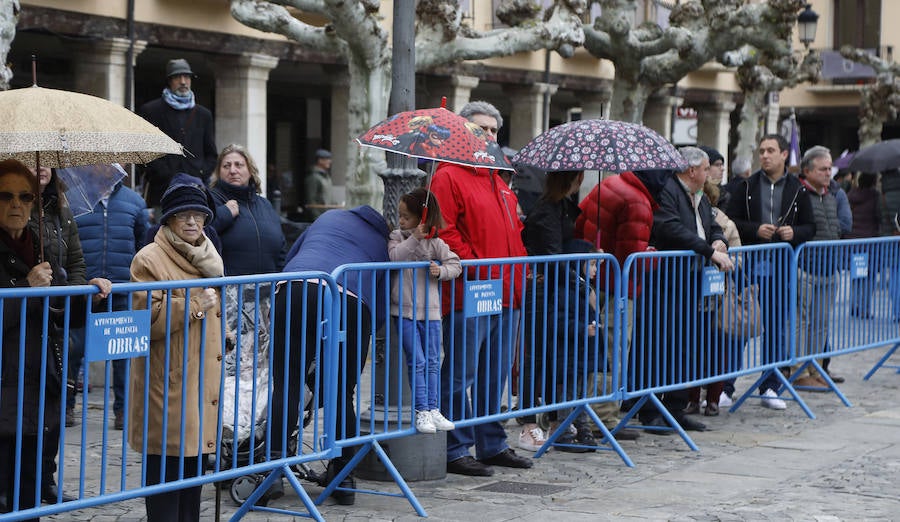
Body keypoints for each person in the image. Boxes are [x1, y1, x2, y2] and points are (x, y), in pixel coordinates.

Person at [0, 159, 110, 520]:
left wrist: (86, 293)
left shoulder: (43, 250)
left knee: (28, 486)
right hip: (5, 381)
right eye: (5, 196)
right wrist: (25, 288)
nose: (15, 205)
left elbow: (65, 311)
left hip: (37, 377)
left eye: (24, 196)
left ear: (35, 202)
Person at [431, 100, 533, 476]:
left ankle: (491, 443)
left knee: (496, 374)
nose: (489, 135)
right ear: (462, 130)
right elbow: (444, 231)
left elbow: (512, 232)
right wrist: (477, 264)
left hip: (506, 290)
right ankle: (455, 447)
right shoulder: (448, 175)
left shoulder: (498, 177)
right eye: (480, 129)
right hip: (471, 289)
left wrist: (517, 270)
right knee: (461, 372)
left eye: (493, 130)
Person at [268, 205, 389, 506]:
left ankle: (271, 472)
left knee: (288, 384)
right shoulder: (382, 243)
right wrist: (371, 330)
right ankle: (343, 477)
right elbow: (382, 297)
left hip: (296, 287)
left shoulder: (329, 217)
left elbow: (294, 253)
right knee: (342, 393)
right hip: (348, 299)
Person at [129, 176, 223, 522]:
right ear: (168, 219)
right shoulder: (149, 259)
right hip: (168, 380)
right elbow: (147, 321)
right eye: (183, 215)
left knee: (194, 477)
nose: (192, 222)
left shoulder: (209, 256)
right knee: (166, 475)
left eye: (198, 215)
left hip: (202, 380)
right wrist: (194, 304)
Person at [574, 169, 673, 440]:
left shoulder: (609, 184)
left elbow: (581, 223)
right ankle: (603, 417)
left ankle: (588, 414)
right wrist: (655, 256)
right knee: (613, 349)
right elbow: (634, 257)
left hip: (595, 278)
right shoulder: (638, 201)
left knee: (593, 349)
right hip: (617, 286)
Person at [647, 147, 733, 432]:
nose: (709, 173)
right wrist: (709, 251)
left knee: (686, 346)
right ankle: (653, 410)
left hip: (693, 281)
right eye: (707, 168)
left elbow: (712, 224)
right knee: (665, 346)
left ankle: (676, 407)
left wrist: (718, 241)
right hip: (669, 281)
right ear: (692, 170)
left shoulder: (699, 195)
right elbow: (670, 228)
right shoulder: (669, 190)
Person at [726, 134, 815, 410]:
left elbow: (810, 227)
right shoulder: (746, 185)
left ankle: (770, 386)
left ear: (784, 155)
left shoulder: (798, 189)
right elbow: (732, 221)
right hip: (750, 266)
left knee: (776, 328)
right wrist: (755, 229)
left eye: (770, 150)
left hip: (781, 266)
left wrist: (794, 232)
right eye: (761, 150)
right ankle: (726, 386)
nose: (764, 155)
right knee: (740, 325)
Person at [73, 176, 150, 431]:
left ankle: (123, 411)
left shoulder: (134, 201)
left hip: (121, 288)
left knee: (123, 353)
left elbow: (142, 243)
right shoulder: (74, 198)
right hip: (83, 287)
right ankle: (65, 406)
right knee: (73, 348)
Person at [209, 144, 285, 401]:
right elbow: (202, 233)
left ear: (250, 171)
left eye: (239, 165)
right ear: (218, 172)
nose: (233, 170)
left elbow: (280, 246)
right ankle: (226, 432)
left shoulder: (264, 205)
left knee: (260, 368)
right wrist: (225, 214)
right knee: (233, 367)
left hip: (265, 301)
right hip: (230, 301)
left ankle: (255, 428)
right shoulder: (212, 200)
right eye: (226, 165)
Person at [518, 169, 587, 452]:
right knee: (535, 356)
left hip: (553, 288)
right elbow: (552, 254)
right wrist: (579, 280)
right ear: (574, 179)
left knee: (551, 355)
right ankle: (528, 422)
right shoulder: (548, 210)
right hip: (541, 289)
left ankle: (556, 418)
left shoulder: (563, 207)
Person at [29, 166, 86, 505]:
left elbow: (77, 260)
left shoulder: (62, 210)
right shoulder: (14, 207)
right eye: (35, 161)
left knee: (54, 400)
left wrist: (74, 292)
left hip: (55, 320)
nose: (42, 167)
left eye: (48, 161)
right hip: (24, 318)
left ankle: (45, 477)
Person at [388, 188, 461, 434]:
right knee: (417, 361)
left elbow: (455, 264)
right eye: (400, 216)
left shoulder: (436, 243)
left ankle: (433, 408)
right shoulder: (397, 237)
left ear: (422, 218)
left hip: (430, 312)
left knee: (432, 361)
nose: (401, 221)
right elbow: (395, 257)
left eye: (406, 217)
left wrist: (441, 271)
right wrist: (414, 238)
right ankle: (422, 410)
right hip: (405, 311)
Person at [792, 147, 842, 388]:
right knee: (801, 322)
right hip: (806, 268)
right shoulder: (799, 194)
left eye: (829, 168)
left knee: (821, 324)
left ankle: (816, 368)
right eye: (822, 169)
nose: (828, 173)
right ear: (807, 170)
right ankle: (798, 370)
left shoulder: (831, 195)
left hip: (828, 269)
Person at [138, 58, 217, 209]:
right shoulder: (151, 110)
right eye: (177, 77)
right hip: (161, 191)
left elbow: (211, 154)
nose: (183, 81)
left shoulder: (203, 114)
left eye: (186, 77)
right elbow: (143, 151)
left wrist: (200, 173)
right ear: (169, 81)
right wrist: (163, 173)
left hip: (195, 190)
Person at [847, 172, 882, 319]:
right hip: (869, 242)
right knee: (869, 277)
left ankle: (854, 306)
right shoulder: (874, 197)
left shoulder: (850, 195)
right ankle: (864, 309)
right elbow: (878, 216)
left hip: (854, 242)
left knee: (856, 276)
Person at [304, 149, 338, 221]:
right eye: (327, 159)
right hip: (319, 218)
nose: (330, 161)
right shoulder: (313, 177)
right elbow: (311, 200)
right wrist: (317, 217)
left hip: (328, 215)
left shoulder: (327, 177)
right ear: (320, 160)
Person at [698, 146, 729, 210]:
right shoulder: (695, 191)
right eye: (717, 165)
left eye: (722, 164)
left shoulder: (724, 195)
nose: (722, 169)